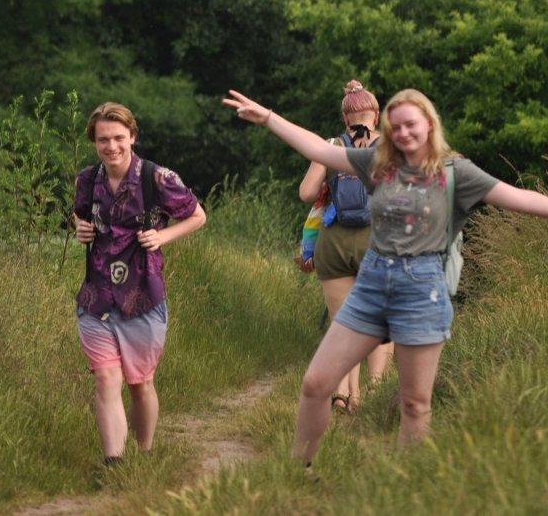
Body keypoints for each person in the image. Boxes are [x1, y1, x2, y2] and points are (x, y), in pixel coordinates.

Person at [223, 87, 548, 467]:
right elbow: (319, 151)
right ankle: (299, 469)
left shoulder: (456, 172)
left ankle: (405, 485)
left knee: (414, 403)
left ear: (429, 123)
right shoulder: (379, 164)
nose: (404, 133)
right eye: (396, 127)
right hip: (372, 285)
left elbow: (521, 198)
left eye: (411, 124)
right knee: (316, 383)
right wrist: (268, 118)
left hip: (421, 290)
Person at [73, 102, 206, 465]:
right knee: (105, 378)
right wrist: (79, 227)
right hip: (95, 297)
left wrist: (163, 237)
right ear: (95, 142)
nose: (111, 146)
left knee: (140, 383)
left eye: (118, 138)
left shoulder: (158, 178)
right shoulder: (87, 179)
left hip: (143, 296)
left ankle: (144, 457)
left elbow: (197, 216)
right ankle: (114, 464)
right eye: (103, 140)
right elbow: (80, 214)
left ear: (132, 137)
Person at [297, 80, 393, 413]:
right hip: (379, 242)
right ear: (377, 115)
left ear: (344, 118)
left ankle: (342, 391)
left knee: (345, 321)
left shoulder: (332, 145)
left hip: (335, 243)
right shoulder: (390, 147)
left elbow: (307, 193)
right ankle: (372, 391)